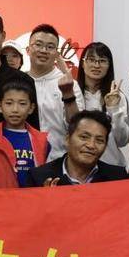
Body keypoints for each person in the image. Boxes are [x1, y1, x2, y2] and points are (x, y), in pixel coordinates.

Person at [25, 23, 83, 161]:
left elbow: (77, 126)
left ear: (57, 53)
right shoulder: (19, 81)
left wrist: (68, 93)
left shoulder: (69, 83)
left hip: (59, 159)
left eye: (50, 47)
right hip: (24, 159)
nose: (43, 50)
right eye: (38, 45)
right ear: (28, 50)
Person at [0, 79, 49, 188]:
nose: (15, 109)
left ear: (31, 108)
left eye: (22, 104)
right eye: (9, 103)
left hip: (31, 197)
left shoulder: (41, 140)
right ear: (0, 106)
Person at [28, 110, 128, 186]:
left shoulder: (118, 178)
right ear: (67, 139)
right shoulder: (39, 177)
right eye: (84, 137)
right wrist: (44, 200)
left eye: (99, 140)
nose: (91, 145)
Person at [76, 42, 129, 170]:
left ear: (109, 65)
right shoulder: (72, 93)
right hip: (78, 167)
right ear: (83, 63)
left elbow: (122, 140)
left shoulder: (118, 96)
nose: (96, 65)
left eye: (102, 61)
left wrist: (113, 109)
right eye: (91, 60)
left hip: (111, 167)